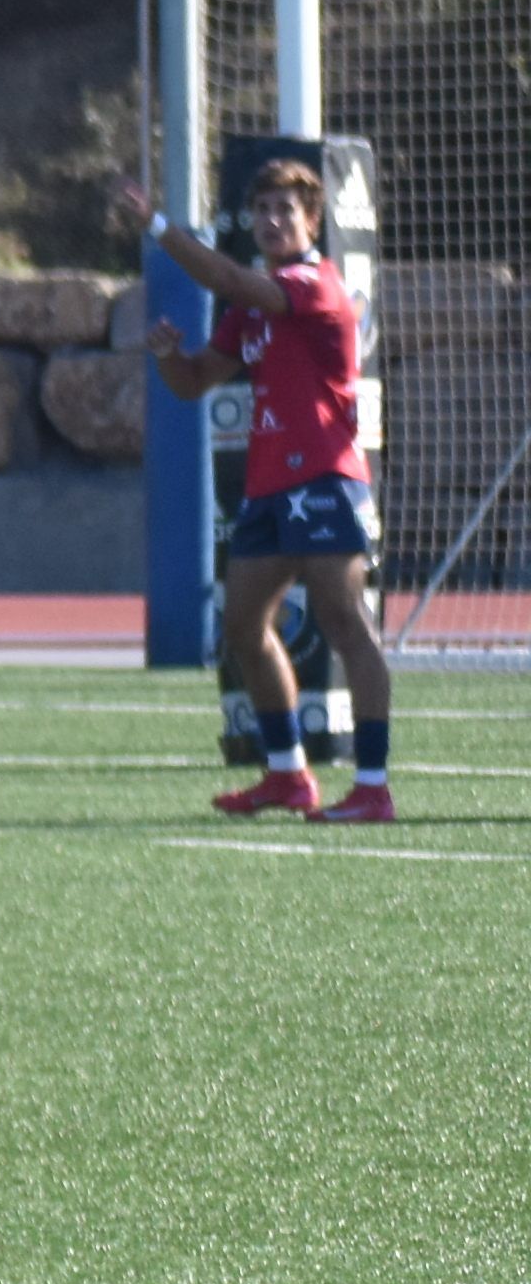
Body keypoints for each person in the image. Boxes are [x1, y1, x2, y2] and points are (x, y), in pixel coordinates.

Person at [128, 154, 393, 824]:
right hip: (271, 486)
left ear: (311, 221)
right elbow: (195, 383)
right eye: (263, 211)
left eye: (287, 210)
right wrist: (165, 355)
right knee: (244, 628)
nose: (272, 221)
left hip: (327, 480)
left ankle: (372, 786)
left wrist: (158, 225)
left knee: (343, 623)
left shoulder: (313, 284)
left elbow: (219, 274)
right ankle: (287, 775)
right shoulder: (251, 310)